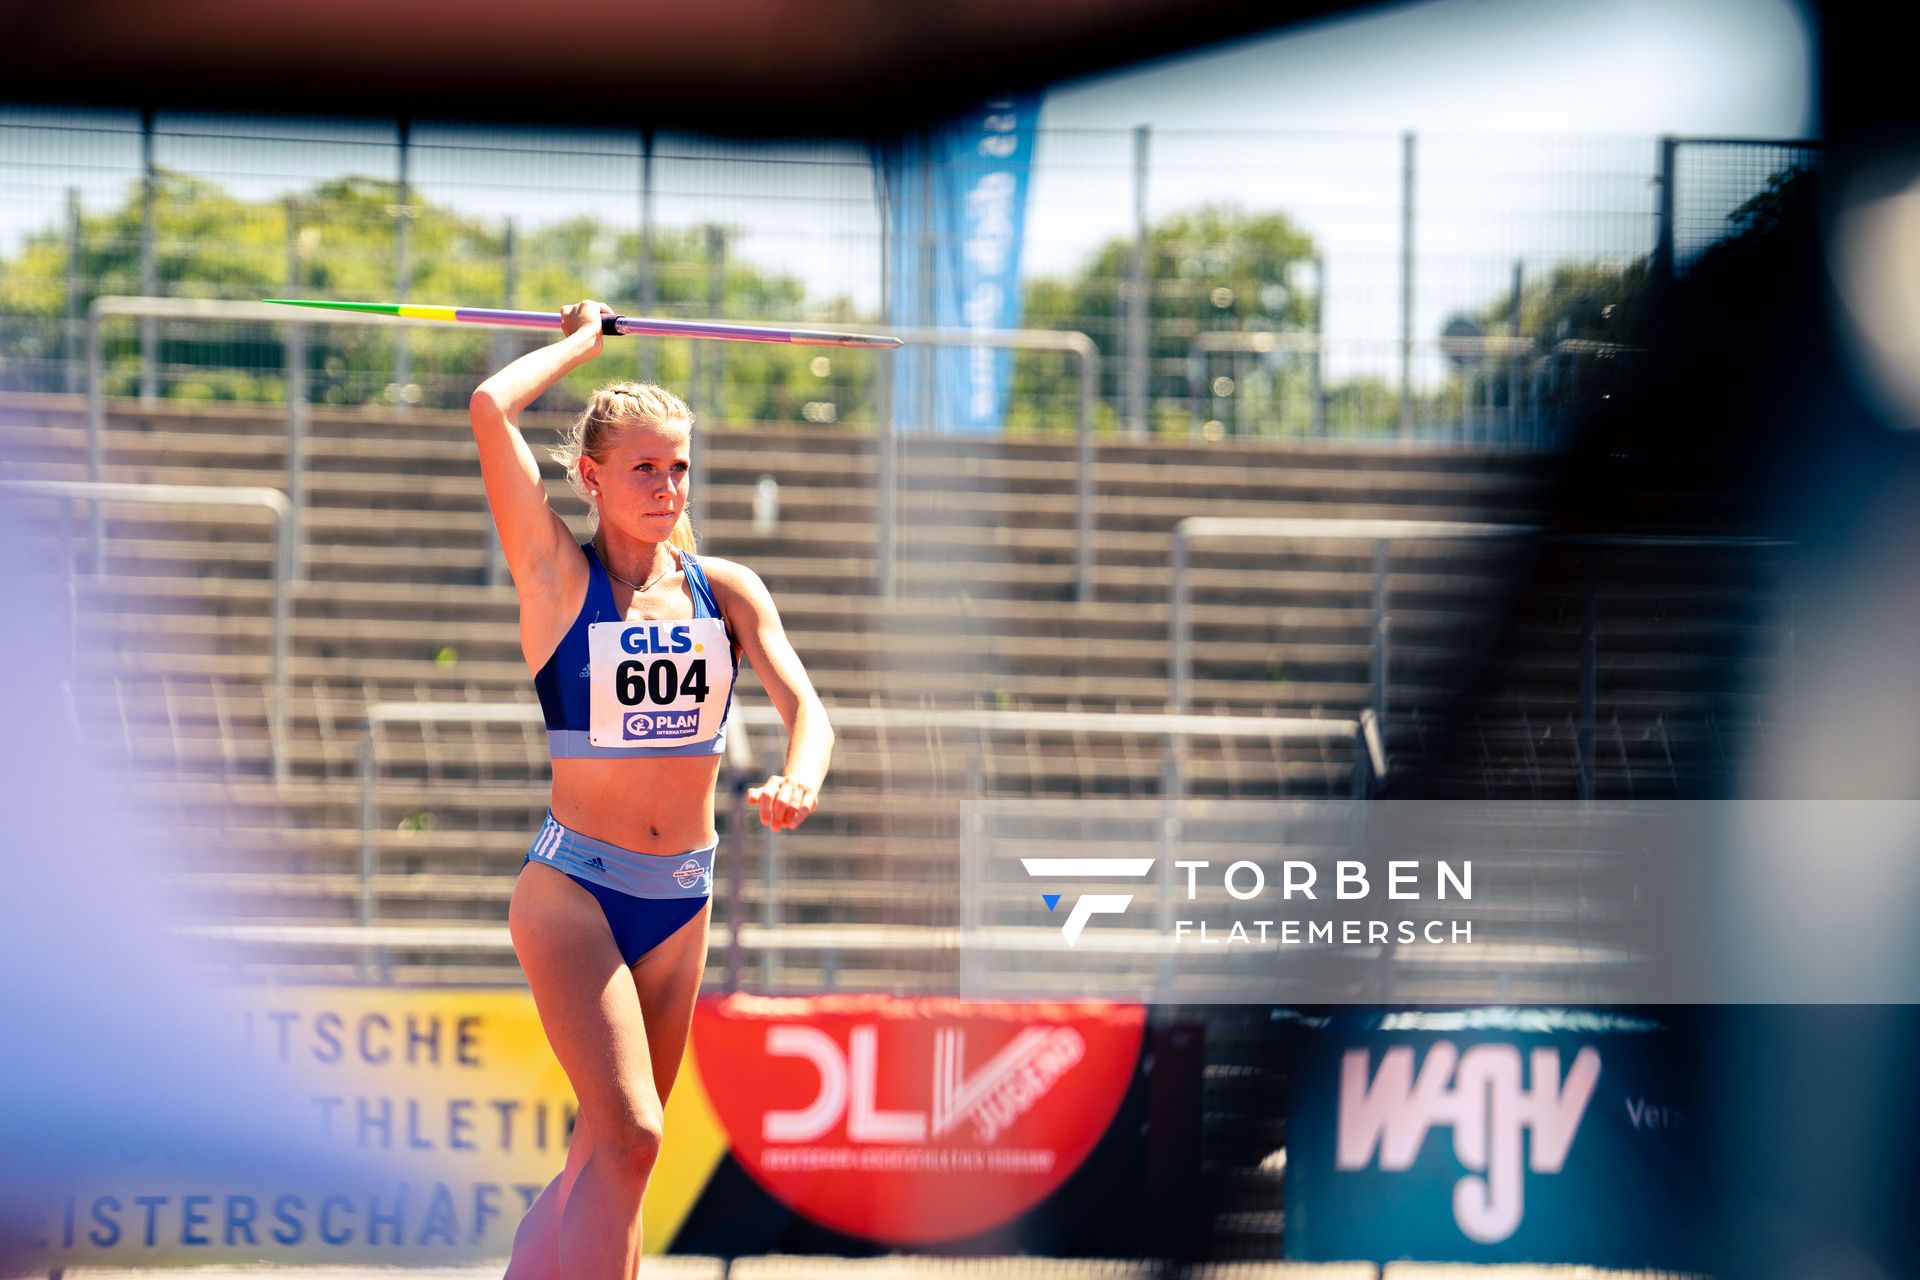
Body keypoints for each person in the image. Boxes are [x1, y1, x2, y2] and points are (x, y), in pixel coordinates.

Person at [470, 300, 833, 1280]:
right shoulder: (555, 575)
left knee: (613, 1153)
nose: (668, 484)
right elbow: (487, 407)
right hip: (575, 888)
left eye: (679, 465)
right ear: (590, 475)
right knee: (630, 1132)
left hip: (682, 892)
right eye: (643, 466)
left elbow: (810, 707)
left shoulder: (729, 589)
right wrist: (581, 345)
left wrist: (801, 774)